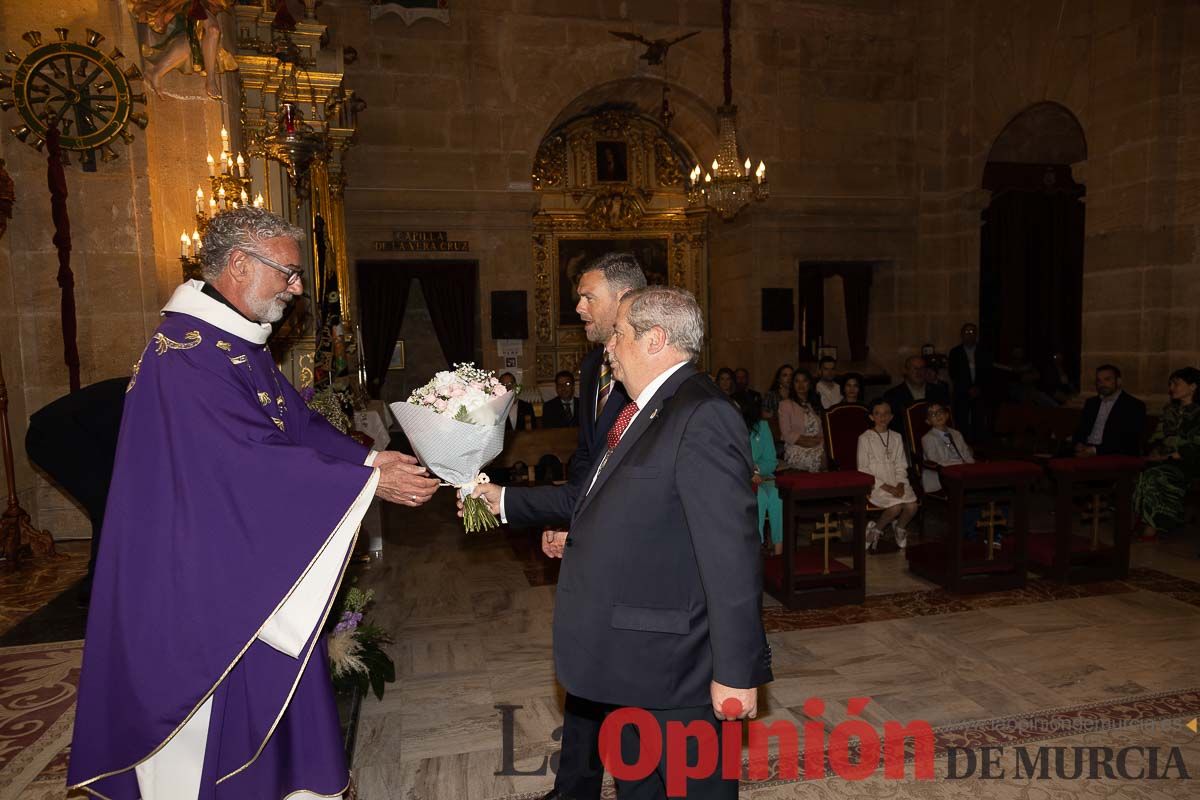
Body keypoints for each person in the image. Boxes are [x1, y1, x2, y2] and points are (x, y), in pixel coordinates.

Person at [67, 207, 440, 799]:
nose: (296, 289)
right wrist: (365, 485)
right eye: (288, 273)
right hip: (196, 579)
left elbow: (291, 424)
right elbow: (244, 460)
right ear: (238, 264)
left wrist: (369, 461)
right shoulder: (186, 356)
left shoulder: (230, 343)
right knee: (207, 723)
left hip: (227, 555)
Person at [477, 286, 772, 798]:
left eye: (618, 333)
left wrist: (736, 671)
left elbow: (731, 556)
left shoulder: (702, 414)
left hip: (675, 670)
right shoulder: (642, 409)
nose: (607, 345)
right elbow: (642, 507)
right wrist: (581, 535)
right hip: (629, 660)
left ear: (655, 339)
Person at [474, 252, 647, 800]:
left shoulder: (646, 370)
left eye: (586, 296)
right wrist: (564, 516)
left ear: (623, 300)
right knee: (584, 668)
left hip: (629, 550)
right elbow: (587, 456)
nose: (577, 308)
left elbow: (632, 478)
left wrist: (524, 505)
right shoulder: (597, 364)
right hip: (592, 533)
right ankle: (575, 787)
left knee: (626, 680)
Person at [24, 377, 128, 606]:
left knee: (118, 504)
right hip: (53, 436)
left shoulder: (163, 397)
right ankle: (95, 591)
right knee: (110, 507)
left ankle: (114, 583)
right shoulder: (161, 402)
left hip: (82, 437)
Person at [1133, 367, 1200, 540]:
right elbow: (1158, 436)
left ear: (1192, 387)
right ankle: (1137, 520)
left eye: (1176, 384)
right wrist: (1154, 450)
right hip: (1166, 458)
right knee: (1136, 471)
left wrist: (1168, 456)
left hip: (1189, 461)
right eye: (1170, 384)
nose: (1172, 388)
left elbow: (1194, 447)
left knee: (1155, 475)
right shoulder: (1169, 410)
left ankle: (1153, 526)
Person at [858, 400, 919, 550]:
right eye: (878, 413)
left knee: (912, 507)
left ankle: (899, 527)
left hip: (896, 481)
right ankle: (876, 529)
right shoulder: (865, 438)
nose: (882, 417)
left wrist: (900, 484)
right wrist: (888, 488)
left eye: (886, 413)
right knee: (896, 507)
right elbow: (863, 468)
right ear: (872, 417)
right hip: (876, 483)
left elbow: (901, 464)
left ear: (891, 417)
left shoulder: (897, 437)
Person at [1071, 364, 1147, 457]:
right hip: (1087, 448)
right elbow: (1080, 429)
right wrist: (1078, 443)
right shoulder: (1091, 403)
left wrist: (1094, 450)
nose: (1102, 384)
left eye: (1107, 379)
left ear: (1118, 381)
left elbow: (1128, 440)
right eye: (1098, 381)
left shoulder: (1133, 405)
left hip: (1113, 454)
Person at [744, 394, 783, 555]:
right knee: (759, 496)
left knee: (777, 495)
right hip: (741, 479)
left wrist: (756, 470)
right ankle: (757, 548)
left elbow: (771, 460)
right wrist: (748, 473)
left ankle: (779, 549)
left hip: (762, 476)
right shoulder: (728, 428)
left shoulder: (762, 427)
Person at [948, 323, 993, 441]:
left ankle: (979, 445)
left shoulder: (984, 351)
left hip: (980, 391)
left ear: (976, 335)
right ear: (962, 335)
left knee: (979, 420)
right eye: (967, 332)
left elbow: (988, 372)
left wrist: (978, 388)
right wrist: (968, 388)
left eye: (972, 332)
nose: (970, 335)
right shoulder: (955, 352)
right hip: (962, 392)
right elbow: (953, 373)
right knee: (961, 420)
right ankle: (963, 444)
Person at [883, 355, 950, 433]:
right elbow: (891, 426)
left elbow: (947, 419)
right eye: (915, 368)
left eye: (922, 368)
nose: (919, 372)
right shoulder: (892, 395)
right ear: (906, 371)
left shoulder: (939, 391)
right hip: (906, 441)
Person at [920, 402, 974, 493]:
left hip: (962, 470)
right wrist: (959, 464)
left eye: (940, 411)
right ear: (928, 421)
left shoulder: (957, 434)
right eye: (932, 414)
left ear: (947, 415)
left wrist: (972, 466)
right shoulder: (927, 438)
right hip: (941, 474)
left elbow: (966, 454)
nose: (937, 415)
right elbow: (935, 461)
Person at [779, 368, 825, 472]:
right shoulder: (785, 405)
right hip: (796, 447)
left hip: (818, 445)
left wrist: (819, 442)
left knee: (832, 455)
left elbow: (823, 430)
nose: (801, 384)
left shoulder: (815, 404)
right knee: (823, 459)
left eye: (804, 381)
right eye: (797, 381)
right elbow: (786, 434)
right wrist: (808, 442)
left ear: (809, 383)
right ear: (792, 384)